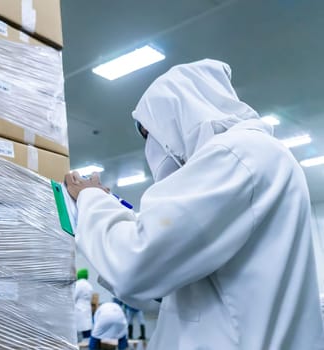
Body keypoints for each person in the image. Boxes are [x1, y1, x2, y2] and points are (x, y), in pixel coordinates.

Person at [65, 59, 324, 349]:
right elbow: (178, 280)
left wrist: (91, 199)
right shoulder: (257, 157)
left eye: (150, 135)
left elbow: (136, 265)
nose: (152, 150)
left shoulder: (238, 154)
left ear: (175, 115)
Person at [74, 268, 94, 341]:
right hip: (87, 309)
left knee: (77, 330)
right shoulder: (89, 285)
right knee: (87, 329)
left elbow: (73, 296)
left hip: (79, 309)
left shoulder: (79, 284)